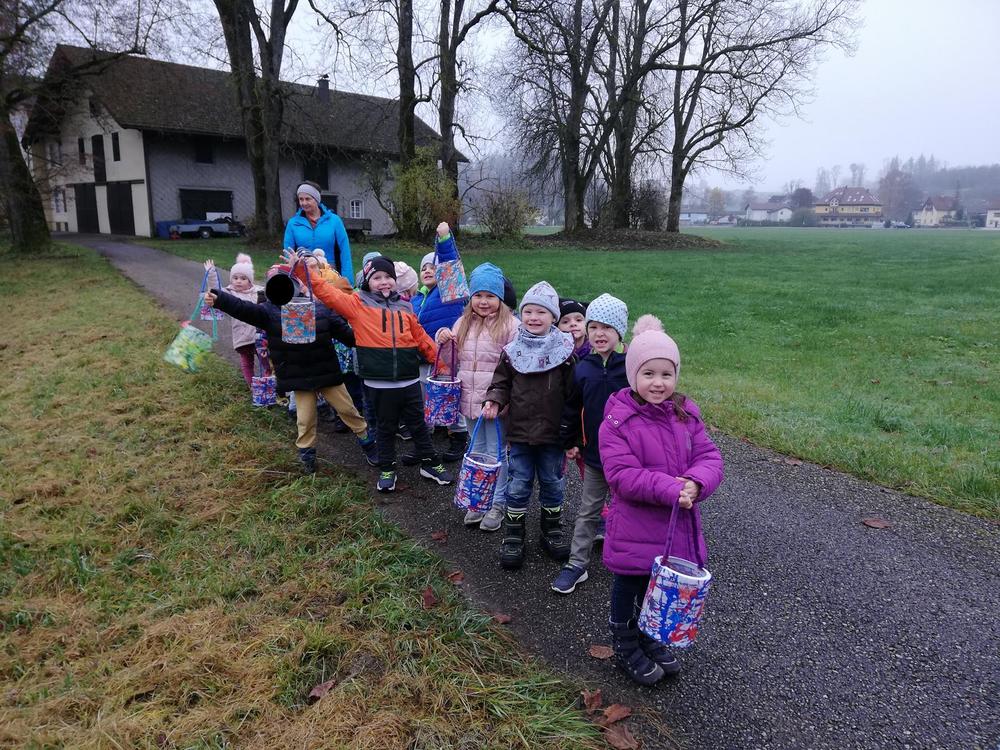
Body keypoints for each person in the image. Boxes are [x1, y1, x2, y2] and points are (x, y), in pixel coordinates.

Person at [599, 315, 724, 685]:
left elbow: (710, 457)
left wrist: (696, 482)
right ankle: (625, 642)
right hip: (635, 524)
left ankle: (648, 636)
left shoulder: (685, 415)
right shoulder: (618, 422)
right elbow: (622, 475)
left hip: (674, 525)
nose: (658, 383)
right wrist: (672, 488)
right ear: (633, 374)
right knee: (630, 583)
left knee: (658, 586)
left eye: (667, 374)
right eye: (649, 374)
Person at [285, 249, 453, 493]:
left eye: (388, 277)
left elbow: (421, 338)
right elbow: (327, 292)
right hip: (378, 383)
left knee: (418, 425)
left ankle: (430, 463)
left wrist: (440, 363)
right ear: (367, 281)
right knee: (385, 428)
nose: (384, 281)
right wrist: (303, 270)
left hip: (408, 380)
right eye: (377, 277)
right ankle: (387, 468)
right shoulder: (357, 304)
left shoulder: (405, 306)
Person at [203, 265, 377, 474]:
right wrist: (219, 298)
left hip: (327, 374)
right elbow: (242, 308)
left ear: (304, 287)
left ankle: (368, 443)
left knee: (349, 411)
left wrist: (374, 336)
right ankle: (307, 456)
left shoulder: (321, 310)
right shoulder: (269, 313)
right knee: (305, 420)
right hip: (299, 378)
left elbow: (349, 337)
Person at [482, 281, 576, 569]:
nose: (534, 317)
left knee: (552, 482)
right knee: (518, 483)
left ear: (553, 317)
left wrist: (571, 432)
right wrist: (494, 400)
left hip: (552, 434)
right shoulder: (512, 351)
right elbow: (501, 382)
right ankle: (514, 534)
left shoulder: (564, 352)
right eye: (529, 312)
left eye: (541, 312)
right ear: (521, 314)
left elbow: (573, 395)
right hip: (520, 433)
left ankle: (552, 529)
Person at [551, 293, 630, 594]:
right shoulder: (583, 368)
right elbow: (573, 407)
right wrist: (570, 440)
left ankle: (631, 561)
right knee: (588, 512)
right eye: (594, 327)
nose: (599, 334)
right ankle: (576, 564)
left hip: (628, 459)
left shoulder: (632, 368)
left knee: (629, 510)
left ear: (619, 331)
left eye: (607, 327)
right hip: (595, 456)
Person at [436, 260, 518, 531]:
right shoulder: (463, 323)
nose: (483, 301)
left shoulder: (510, 326)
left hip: (495, 403)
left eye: (490, 296)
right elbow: (451, 361)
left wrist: (501, 400)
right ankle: (480, 500)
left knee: (496, 453)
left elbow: (514, 368)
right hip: (469, 401)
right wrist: (444, 340)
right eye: (478, 295)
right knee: (477, 450)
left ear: (500, 298)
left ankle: (497, 503)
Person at [410, 235, 469, 463]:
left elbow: (451, 267)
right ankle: (425, 442)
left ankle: (458, 436)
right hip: (422, 358)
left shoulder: (449, 295)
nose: (427, 270)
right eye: (423, 268)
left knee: (450, 396)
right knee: (424, 399)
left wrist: (444, 241)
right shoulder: (417, 299)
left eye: (433, 267)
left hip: (446, 357)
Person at [204, 255, 260, 389]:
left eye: (243, 278)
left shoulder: (258, 291)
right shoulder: (229, 293)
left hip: (259, 336)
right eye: (235, 278)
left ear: (250, 281)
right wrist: (211, 274)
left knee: (265, 362)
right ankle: (253, 387)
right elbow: (215, 291)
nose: (238, 281)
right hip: (242, 336)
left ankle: (267, 385)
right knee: (247, 362)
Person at [283, 181, 354, 282]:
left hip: (330, 274)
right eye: (301, 199)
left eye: (308, 199)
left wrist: (348, 280)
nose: (304, 203)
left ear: (317, 199)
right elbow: (288, 253)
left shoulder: (334, 221)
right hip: (303, 274)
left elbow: (345, 252)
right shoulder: (293, 223)